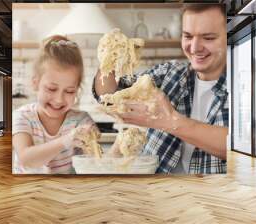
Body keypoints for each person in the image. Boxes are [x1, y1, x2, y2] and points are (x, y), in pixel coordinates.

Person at [92, 4, 228, 174]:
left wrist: (170, 122)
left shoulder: (244, 86)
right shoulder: (169, 73)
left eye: (208, 38)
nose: (194, 48)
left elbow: (238, 146)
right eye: (188, 36)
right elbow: (110, 94)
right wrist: (109, 58)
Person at [13, 35, 98, 174]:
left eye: (69, 91)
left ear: (77, 90)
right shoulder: (23, 116)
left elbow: (96, 164)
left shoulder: (81, 121)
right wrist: (67, 140)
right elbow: (25, 159)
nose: (59, 99)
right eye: (51, 89)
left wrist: (118, 147)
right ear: (35, 83)